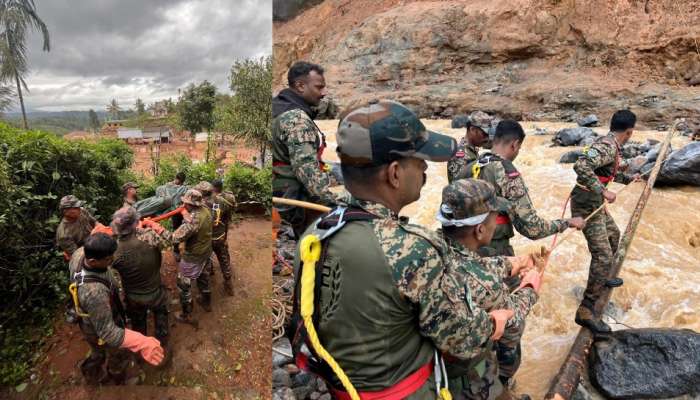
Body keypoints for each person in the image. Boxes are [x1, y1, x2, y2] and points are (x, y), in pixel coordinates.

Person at [290, 100, 509, 399]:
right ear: (394, 173)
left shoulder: (316, 232)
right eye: (420, 162)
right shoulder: (411, 247)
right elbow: (461, 339)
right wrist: (497, 321)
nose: (425, 171)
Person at [438, 179, 545, 399]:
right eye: (494, 219)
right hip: (461, 374)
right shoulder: (486, 285)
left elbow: (471, 265)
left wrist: (516, 263)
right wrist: (532, 284)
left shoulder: (432, 246)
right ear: (480, 230)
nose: (496, 224)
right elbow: (512, 318)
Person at [464, 120, 585, 256]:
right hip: (493, 255)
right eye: (519, 148)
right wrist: (567, 222)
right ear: (514, 145)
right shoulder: (506, 172)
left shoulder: (469, 167)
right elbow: (532, 228)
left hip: (462, 251)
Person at [570, 109, 640, 334]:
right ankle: (586, 309)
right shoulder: (608, 146)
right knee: (602, 255)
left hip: (594, 203)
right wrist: (603, 191)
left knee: (613, 235)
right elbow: (580, 166)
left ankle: (603, 279)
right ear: (629, 132)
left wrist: (627, 178)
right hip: (586, 206)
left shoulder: (611, 144)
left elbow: (604, 172)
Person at [70, 233, 164, 384]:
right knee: (117, 353)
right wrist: (142, 341)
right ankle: (117, 377)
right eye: (108, 259)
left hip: (90, 317)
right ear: (93, 261)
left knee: (97, 352)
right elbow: (108, 332)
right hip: (99, 324)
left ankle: (92, 373)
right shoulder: (95, 292)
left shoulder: (79, 253)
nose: (112, 260)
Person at [272, 61, 339, 237]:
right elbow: (306, 168)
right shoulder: (296, 119)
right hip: (294, 199)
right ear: (300, 86)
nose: (323, 93)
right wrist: (333, 204)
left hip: (279, 190)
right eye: (319, 87)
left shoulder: (277, 107)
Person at [110, 207, 172, 361]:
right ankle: (162, 344)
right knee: (161, 316)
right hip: (155, 290)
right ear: (135, 224)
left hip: (133, 296)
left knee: (138, 323)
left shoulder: (113, 251)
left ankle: (141, 351)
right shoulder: (150, 237)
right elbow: (167, 243)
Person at [172, 189, 213, 324]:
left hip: (193, 256)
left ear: (190, 204)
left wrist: (156, 228)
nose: (184, 205)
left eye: (185, 203)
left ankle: (187, 314)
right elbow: (196, 223)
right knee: (203, 277)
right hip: (206, 251)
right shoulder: (206, 210)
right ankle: (207, 303)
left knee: (183, 284)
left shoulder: (192, 221)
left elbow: (175, 237)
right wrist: (186, 214)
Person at [195, 181, 235, 296]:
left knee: (205, 262)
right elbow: (227, 221)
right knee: (223, 259)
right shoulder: (223, 202)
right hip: (220, 237)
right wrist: (225, 236)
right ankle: (228, 284)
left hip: (206, 239)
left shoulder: (198, 205)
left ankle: (206, 292)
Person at [447, 111, 497, 183]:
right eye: (484, 133)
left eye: (488, 134)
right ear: (472, 130)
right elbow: (458, 185)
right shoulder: (460, 155)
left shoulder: (471, 150)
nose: (487, 138)